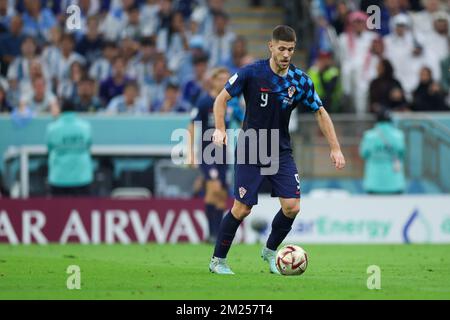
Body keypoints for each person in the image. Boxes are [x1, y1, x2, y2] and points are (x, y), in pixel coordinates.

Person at [209, 25, 345, 274]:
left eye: (291, 50)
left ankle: (270, 251)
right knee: (242, 209)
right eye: (281, 48)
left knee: (292, 206)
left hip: (280, 151)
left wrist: (335, 148)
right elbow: (221, 98)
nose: (286, 54)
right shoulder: (252, 73)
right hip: (251, 148)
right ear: (271, 46)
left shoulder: (300, 80)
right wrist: (219, 128)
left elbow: (320, 112)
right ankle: (218, 260)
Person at [187, 67, 244, 243]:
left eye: (226, 79)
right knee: (214, 188)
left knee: (221, 195)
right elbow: (192, 126)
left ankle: (216, 233)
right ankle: (211, 233)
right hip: (207, 153)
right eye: (220, 79)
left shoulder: (230, 103)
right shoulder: (204, 102)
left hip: (223, 154)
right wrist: (190, 154)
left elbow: (243, 121)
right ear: (213, 80)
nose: (223, 82)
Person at [46, 99, 93, 197]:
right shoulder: (86, 127)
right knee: (82, 210)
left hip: (58, 177)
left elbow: (49, 148)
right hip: (82, 177)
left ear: (61, 110)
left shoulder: (52, 128)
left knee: (59, 211)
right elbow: (89, 145)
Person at [359, 109, 406, 194]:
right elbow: (402, 153)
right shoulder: (399, 135)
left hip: (373, 182)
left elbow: (363, 154)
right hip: (395, 182)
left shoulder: (369, 136)